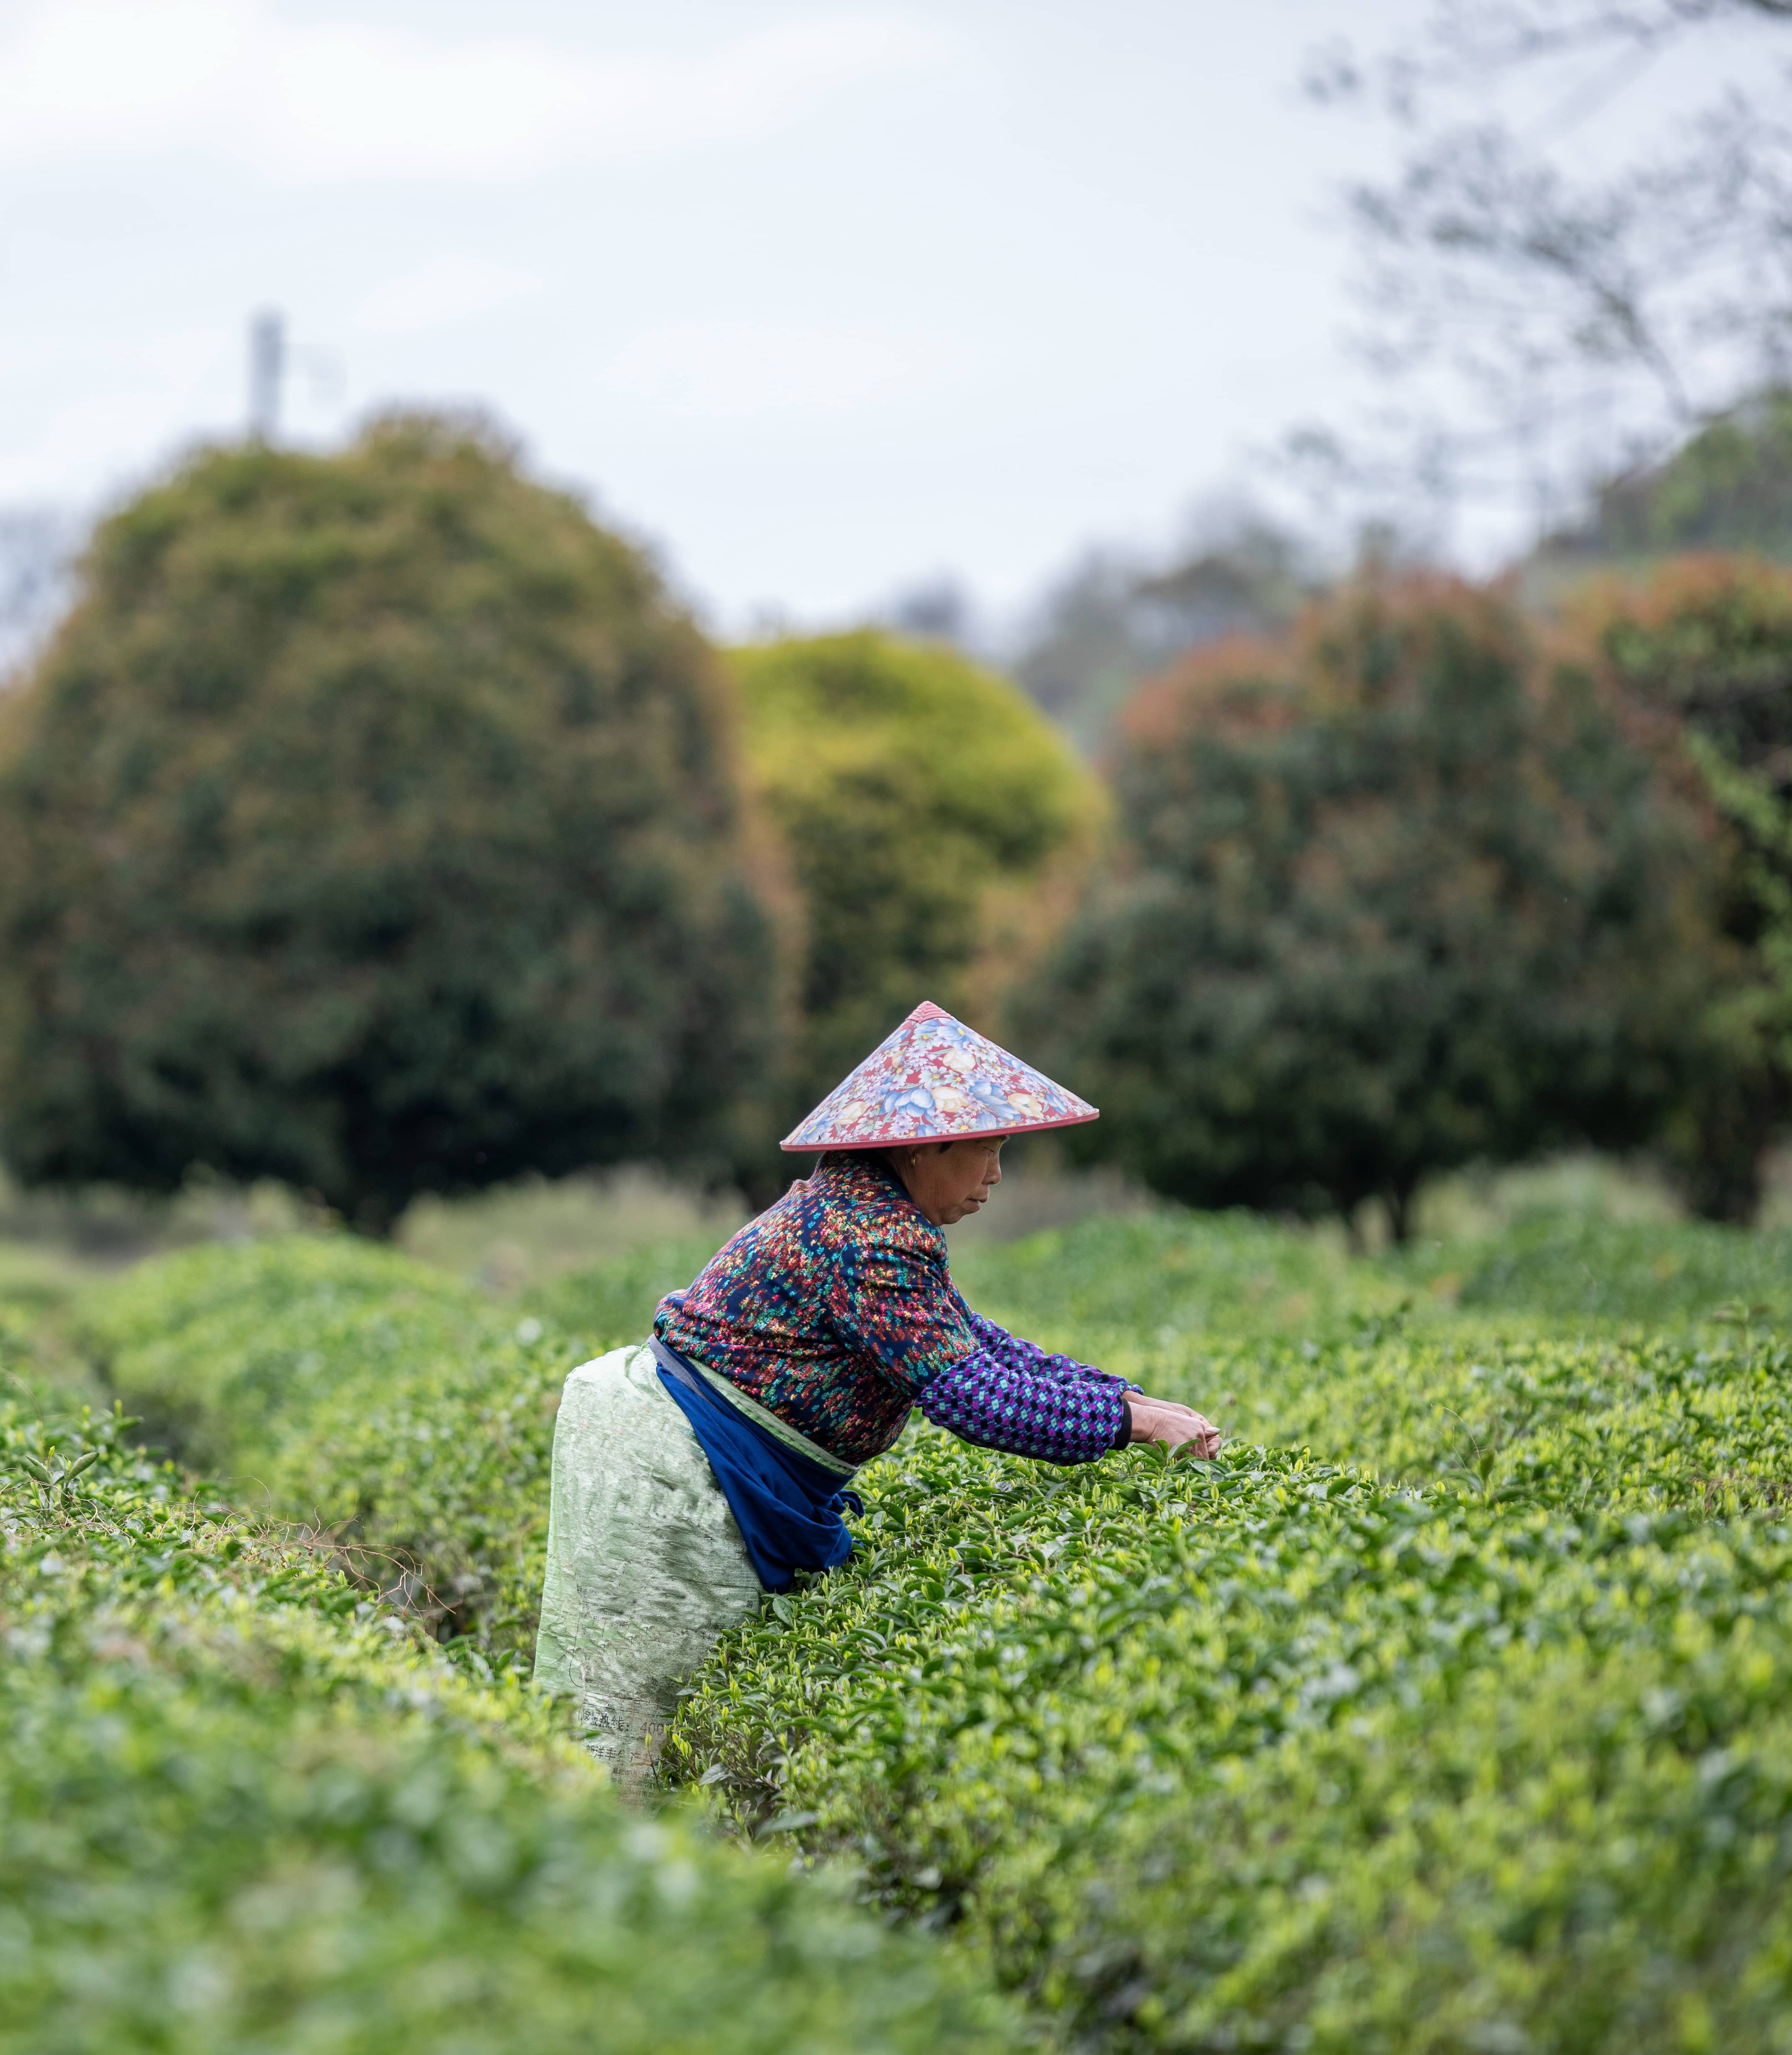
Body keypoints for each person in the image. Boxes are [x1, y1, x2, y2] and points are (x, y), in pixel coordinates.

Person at [532, 1001, 1221, 1788]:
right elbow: (975, 1398)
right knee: (630, 1728)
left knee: (673, 1731)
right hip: (668, 1469)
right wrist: (1130, 1422)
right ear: (927, 1148)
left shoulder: (874, 1214)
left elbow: (982, 1344)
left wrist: (1128, 1398)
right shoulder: (868, 1236)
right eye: (990, 1148)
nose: (998, 1173)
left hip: (696, 1451)